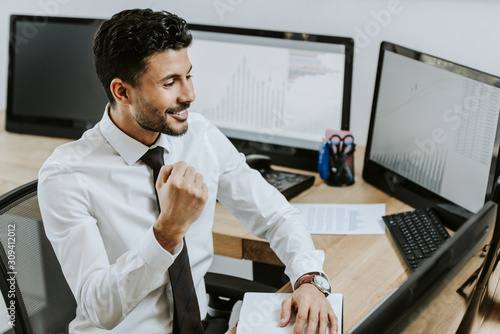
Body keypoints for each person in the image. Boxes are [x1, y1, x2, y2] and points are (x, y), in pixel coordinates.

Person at [38, 8, 337, 334]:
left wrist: (308, 279)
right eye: (170, 83)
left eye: (188, 76)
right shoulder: (66, 176)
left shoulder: (200, 136)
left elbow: (276, 215)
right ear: (122, 92)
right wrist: (166, 232)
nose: (190, 95)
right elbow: (100, 310)